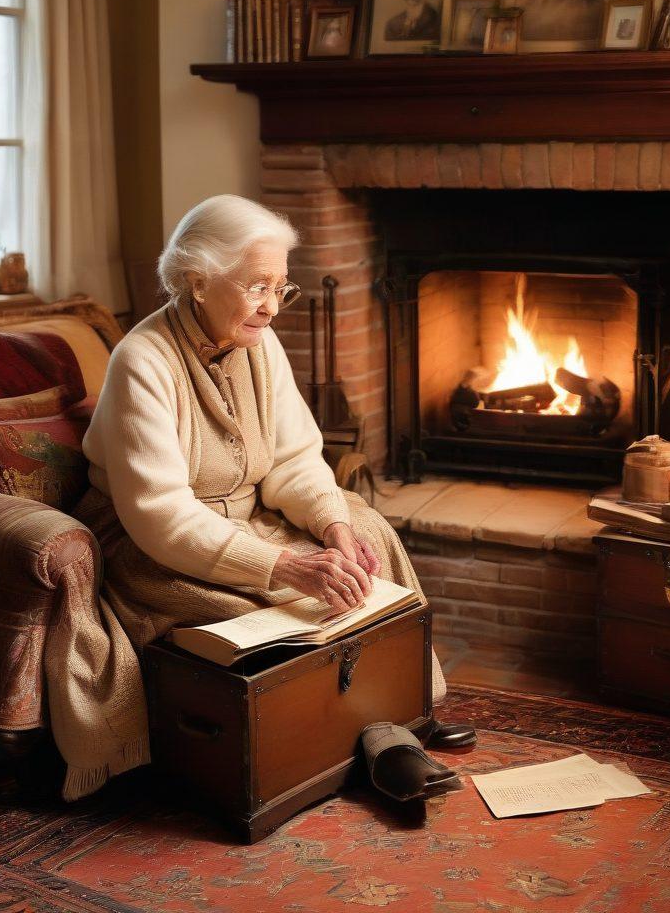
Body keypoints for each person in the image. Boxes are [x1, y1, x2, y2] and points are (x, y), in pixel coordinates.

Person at [57, 195, 448, 801]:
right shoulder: (143, 359)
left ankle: (401, 717)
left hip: (247, 517)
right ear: (198, 278)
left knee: (367, 533)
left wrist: (332, 525)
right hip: (154, 544)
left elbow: (292, 461)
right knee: (283, 615)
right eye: (257, 286)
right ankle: (350, 748)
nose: (271, 307)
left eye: (280, 288)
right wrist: (285, 563)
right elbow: (160, 514)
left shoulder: (258, 346)